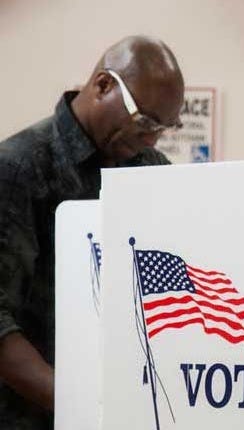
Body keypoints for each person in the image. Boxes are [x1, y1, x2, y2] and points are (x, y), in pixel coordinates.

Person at [0, 35, 184, 429]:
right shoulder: (17, 169)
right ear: (103, 86)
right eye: (145, 122)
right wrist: (84, 406)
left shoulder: (151, 169)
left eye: (164, 128)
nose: (151, 139)